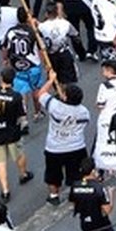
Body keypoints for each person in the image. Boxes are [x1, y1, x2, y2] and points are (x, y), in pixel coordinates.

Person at [35, 70, 91, 206]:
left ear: (65, 97)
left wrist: (50, 79)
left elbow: (41, 94)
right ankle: (76, 194)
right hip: (76, 146)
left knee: (53, 174)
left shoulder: (55, 106)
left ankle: (54, 195)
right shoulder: (83, 112)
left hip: (54, 147)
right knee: (76, 173)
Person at [0, 68, 35, 202]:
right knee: (19, 154)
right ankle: (23, 174)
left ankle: (5, 191)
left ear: (1, 78)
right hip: (12, 132)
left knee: (0, 162)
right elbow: (21, 116)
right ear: (13, 80)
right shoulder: (16, 96)